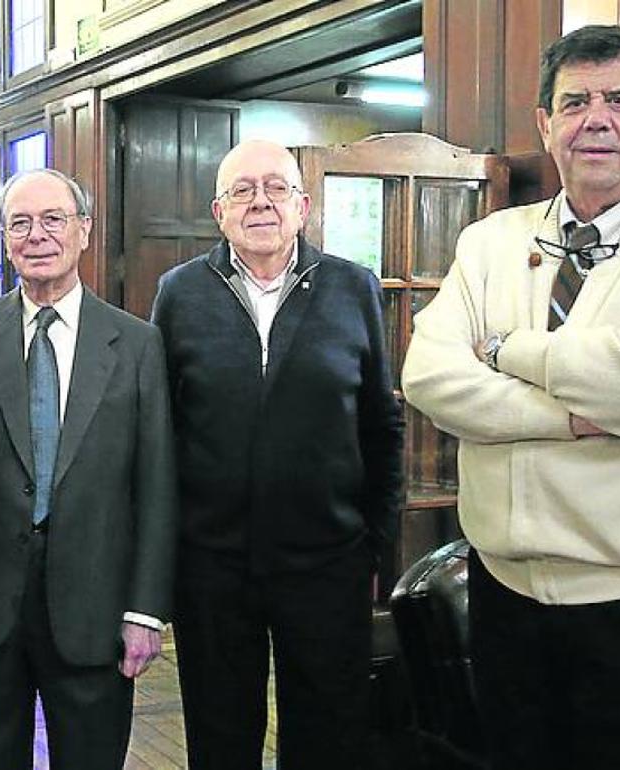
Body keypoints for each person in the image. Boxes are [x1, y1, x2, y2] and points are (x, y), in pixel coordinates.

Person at [401, 25, 620, 769]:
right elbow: (430, 377)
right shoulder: (489, 242)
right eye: (575, 102)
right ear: (546, 122)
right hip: (507, 600)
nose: (596, 118)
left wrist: (511, 352)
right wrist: (570, 417)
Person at [151, 139, 404, 770]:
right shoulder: (180, 293)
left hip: (328, 562)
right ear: (219, 210)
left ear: (303, 205)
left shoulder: (354, 288)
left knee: (329, 737)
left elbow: (382, 423)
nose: (260, 201)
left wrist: (375, 543)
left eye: (276, 188)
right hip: (212, 567)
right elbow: (160, 430)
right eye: (243, 189)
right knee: (220, 735)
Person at [0, 168, 176, 770]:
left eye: (53, 220)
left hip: (95, 606)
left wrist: (144, 610)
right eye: (20, 223)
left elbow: (156, 486)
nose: (36, 235)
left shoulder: (137, 343)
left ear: (84, 231)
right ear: (5, 236)